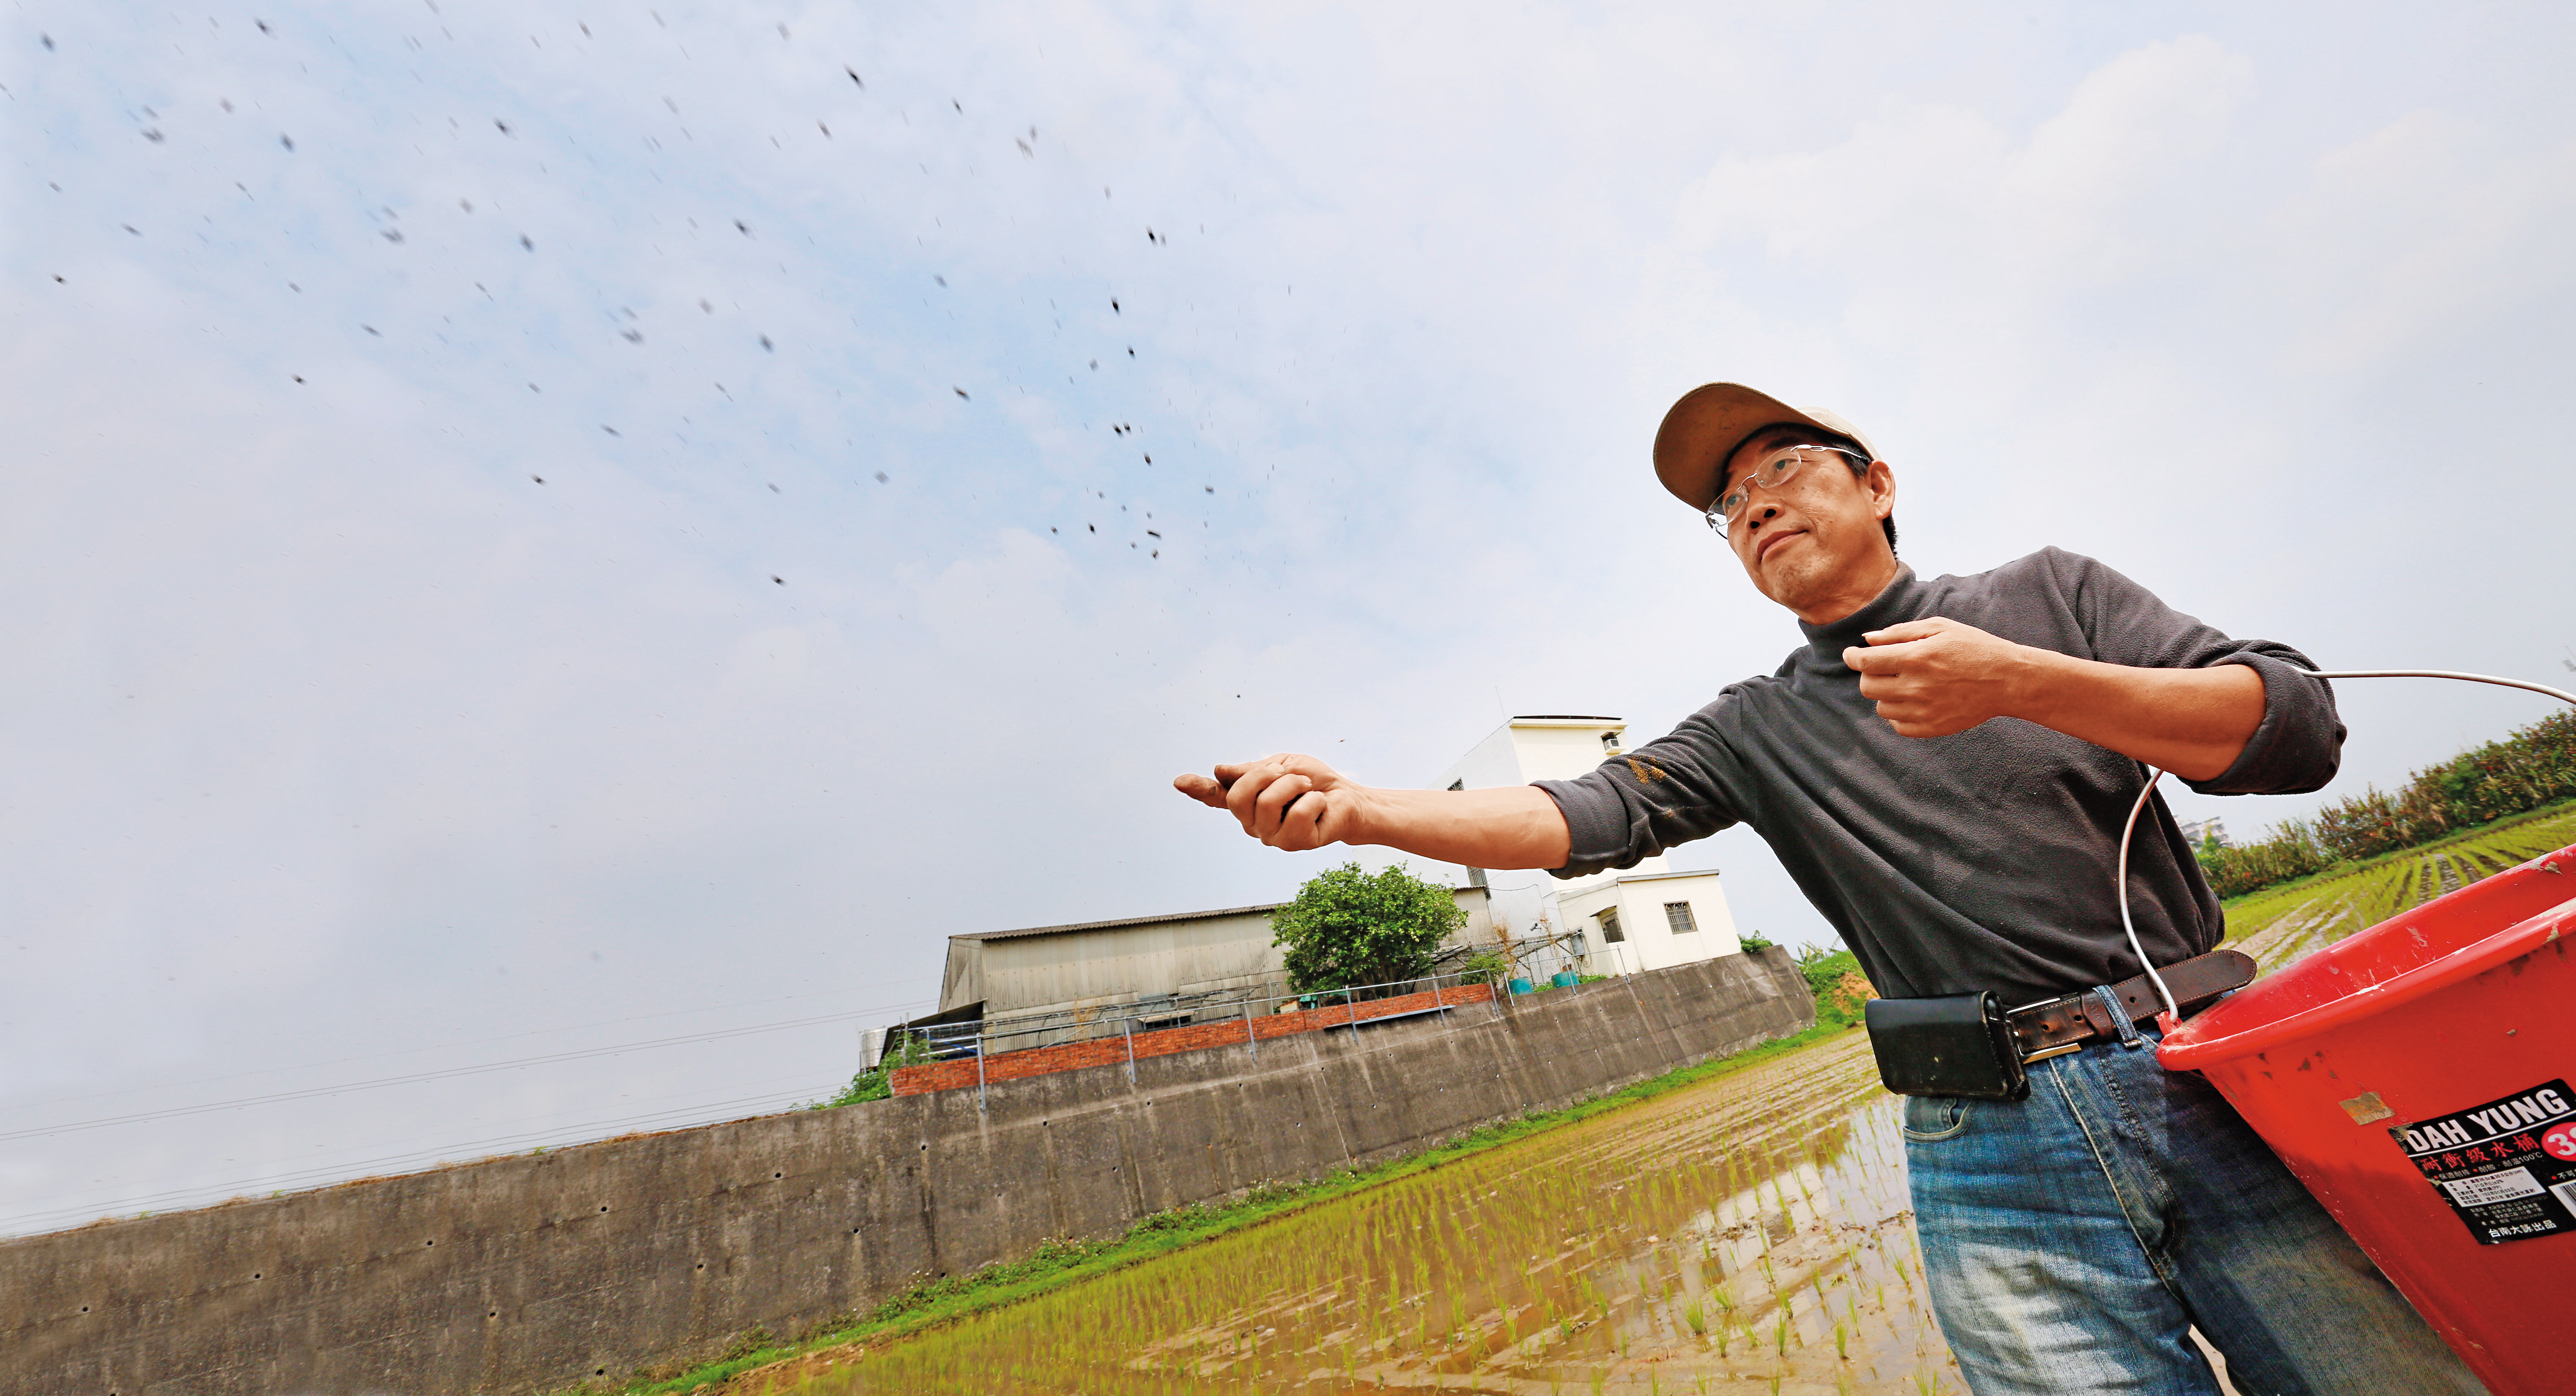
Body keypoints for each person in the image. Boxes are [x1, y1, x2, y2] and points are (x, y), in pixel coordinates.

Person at [1174, 382, 2481, 1395]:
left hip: (2209, 1080)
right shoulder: (1757, 727)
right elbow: (1584, 814)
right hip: (1992, 1154)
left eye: (1783, 468)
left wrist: (2018, 678)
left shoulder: (2045, 594)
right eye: (1728, 504)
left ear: (1881, 485)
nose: (1754, 505)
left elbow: (2298, 728)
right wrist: (1366, 811)